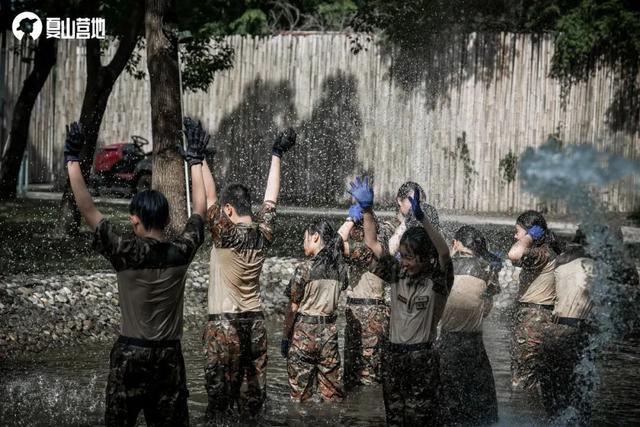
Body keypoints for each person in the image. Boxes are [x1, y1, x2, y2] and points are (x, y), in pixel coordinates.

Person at [65, 120, 207, 426]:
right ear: (166, 219)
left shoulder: (125, 251)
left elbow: (87, 208)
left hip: (131, 354)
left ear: (135, 221)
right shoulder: (180, 252)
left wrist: (72, 159)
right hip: (169, 357)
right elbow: (200, 210)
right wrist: (195, 161)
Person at [200, 124, 296, 421]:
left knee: (220, 408)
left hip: (224, 325)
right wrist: (276, 154)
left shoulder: (224, 234)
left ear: (229, 210)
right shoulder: (263, 233)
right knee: (251, 407)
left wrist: (197, 158)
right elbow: (271, 199)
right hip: (255, 325)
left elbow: (210, 195)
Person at [350, 176, 453, 426]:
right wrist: (367, 210)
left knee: (421, 419)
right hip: (394, 356)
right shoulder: (397, 275)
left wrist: (423, 219)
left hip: (422, 357)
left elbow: (443, 253)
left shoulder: (438, 282)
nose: (403, 261)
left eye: (409, 257)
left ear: (425, 258)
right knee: (394, 419)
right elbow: (373, 244)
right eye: (403, 256)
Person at [437, 225, 501, 426]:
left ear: (456, 243)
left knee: (447, 400)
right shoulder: (488, 268)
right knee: (481, 402)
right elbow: (487, 309)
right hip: (474, 342)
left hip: (448, 340)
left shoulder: (444, 266)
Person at [281, 219, 349, 402]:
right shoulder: (340, 270)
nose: (303, 243)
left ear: (315, 237)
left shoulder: (305, 269)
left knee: (300, 396)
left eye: (305, 238)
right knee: (333, 395)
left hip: (304, 335)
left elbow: (292, 308)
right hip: (329, 336)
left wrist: (285, 336)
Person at [507, 210, 563, 398]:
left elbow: (514, 254)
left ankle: (521, 420)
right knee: (535, 379)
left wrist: (528, 236)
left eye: (518, 231)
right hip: (541, 318)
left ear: (532, 232)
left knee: (522, 381)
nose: (515, 236)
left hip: (533, 320)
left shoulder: (541, 253)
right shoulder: (545, 252)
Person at [337, 203, 393, 387]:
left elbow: (334, 245)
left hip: (370, 313)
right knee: (353, 371)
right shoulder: (373, 246)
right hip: (361, 311)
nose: (352, 232)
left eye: (356, 227)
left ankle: (367, 412)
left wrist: (349, 220)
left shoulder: (366, 249)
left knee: (368, 374)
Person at [386, 181, 441, 257]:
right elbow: (386, 255)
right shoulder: (389, 227)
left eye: (420, 202)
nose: (418, 205)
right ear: (399, 201)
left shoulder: (425, 225)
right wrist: (407, 221)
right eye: (412, 201)